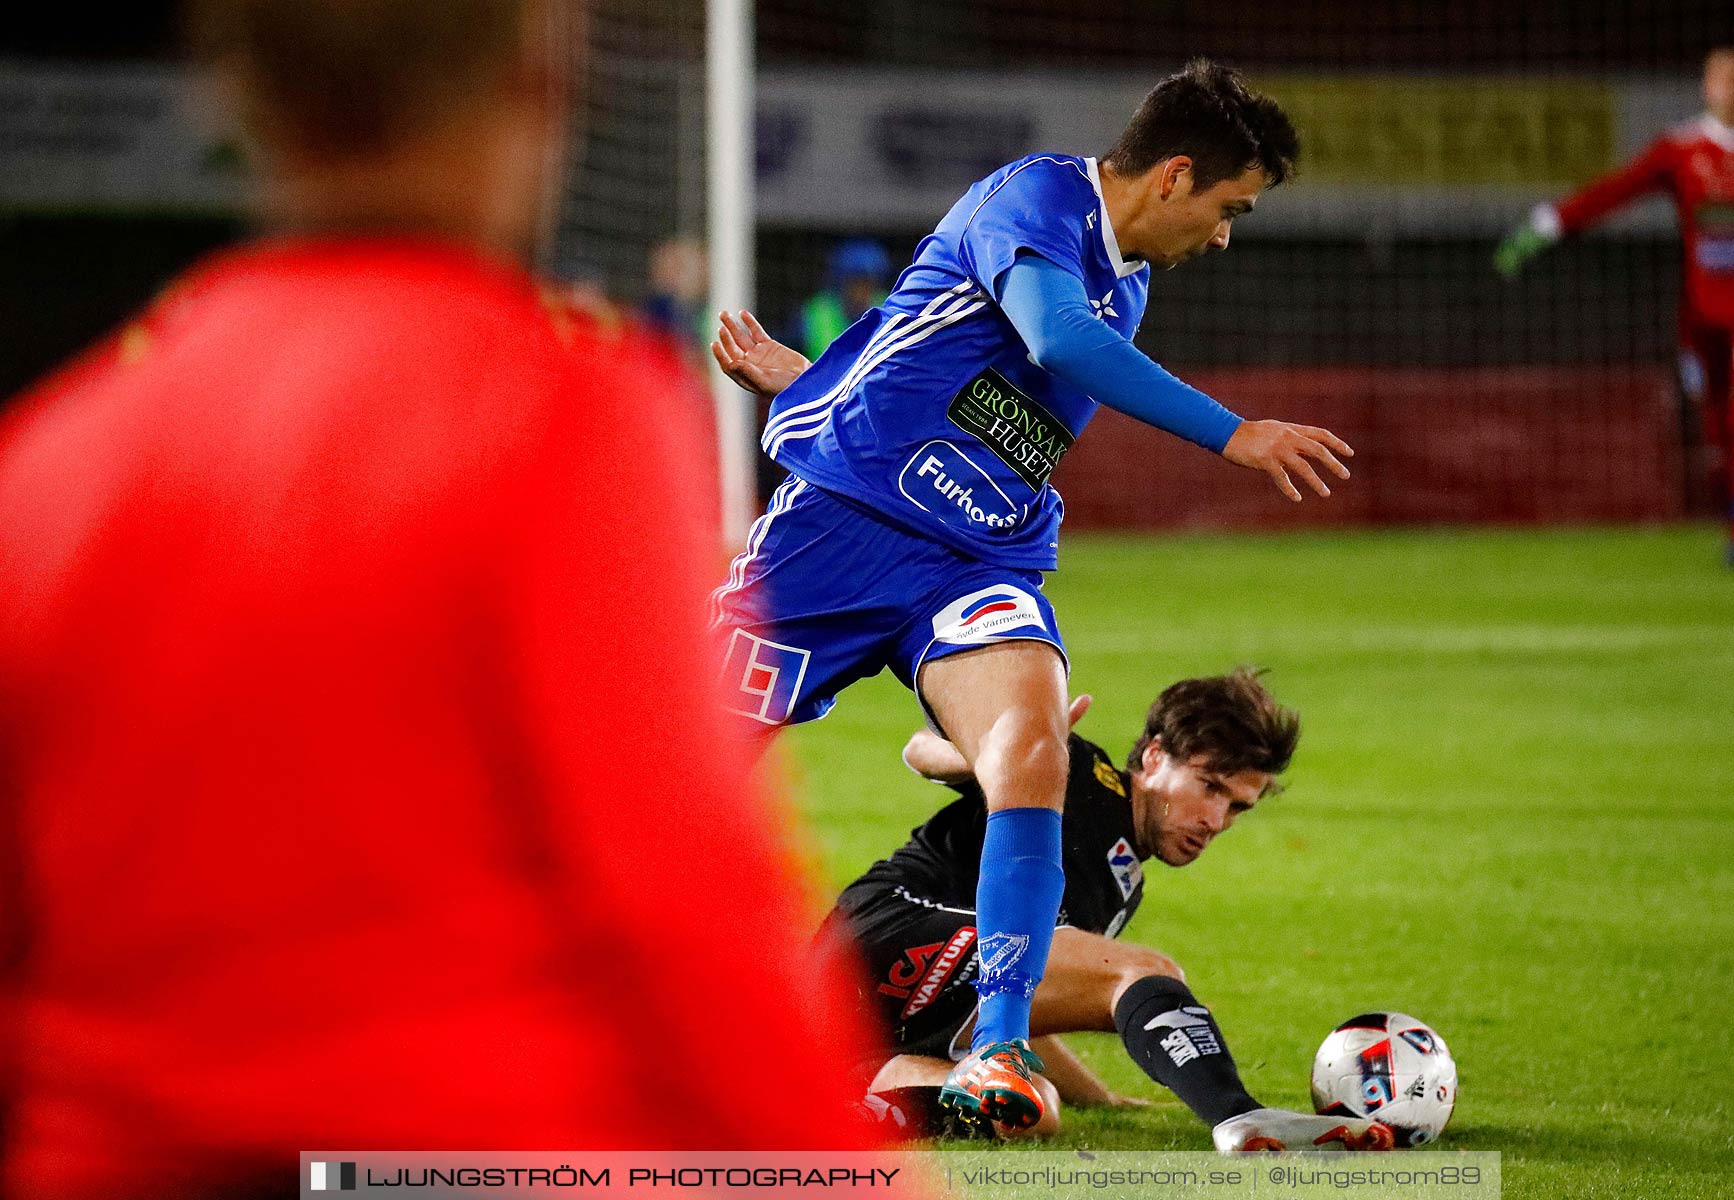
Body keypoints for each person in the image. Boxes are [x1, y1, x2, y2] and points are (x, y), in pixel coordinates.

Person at [0, 3, 883, 1197]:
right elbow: (684, 903)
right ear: (548, 78)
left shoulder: (57, 453)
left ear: (230, 98)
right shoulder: (566, 418)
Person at [711, 58, 1352, 1127]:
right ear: (1174, 176)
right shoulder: (1035, 197)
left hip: (978, 558)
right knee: (662, 769)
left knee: (1034, 756)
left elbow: (953, 370)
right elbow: (1053, 339)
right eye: (1231, 209)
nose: (1228, 236)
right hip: (841, 532)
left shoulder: (1129, 283)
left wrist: (811, 377)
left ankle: (999, 1052)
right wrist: (1237, 432)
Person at [822, 672, 1393, 1153]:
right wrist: (994, 751)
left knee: (1026, 1109)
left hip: (879, 1010)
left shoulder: (1125, 877)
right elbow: (920, 752)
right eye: (1209, 787)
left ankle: (849, 1104)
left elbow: (1016, 996)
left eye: (1236, 806)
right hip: (882, 932)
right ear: (1153, 756)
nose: (1215, 820)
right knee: (1145, 972)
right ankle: (1241, 1116)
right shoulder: (1075, 771)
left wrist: (1101, 1097)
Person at [1496, 44, 1734, 570]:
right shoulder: (1681, 151)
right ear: (1707, 87)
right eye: (1724, 79)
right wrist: (1546, 225)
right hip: (1702, 312)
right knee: (1717, 427)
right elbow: (1615, 191)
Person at [795, 238, 893, 361]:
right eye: (855, 283)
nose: (861, 292)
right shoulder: (818, 312)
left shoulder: (889, 308)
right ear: (840, 283)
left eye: (868, 284)